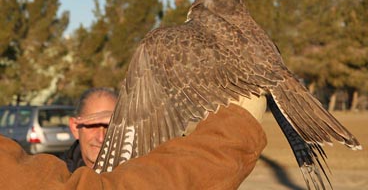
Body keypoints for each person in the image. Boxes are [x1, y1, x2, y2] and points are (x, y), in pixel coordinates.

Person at [0, 96, 267, 189]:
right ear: (75, 126)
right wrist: (232, 134)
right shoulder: (57, 171)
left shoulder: (145, 160)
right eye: (93, 124)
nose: (103, 136)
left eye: (112, 124)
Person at [61, 87, 118, 171]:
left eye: (110, 127)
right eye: (93, 125)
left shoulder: (137, 176)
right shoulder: (57, 177)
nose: (101, 138)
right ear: (75, 128)